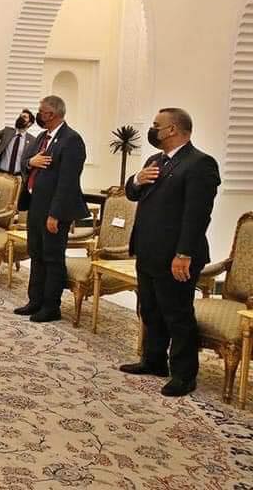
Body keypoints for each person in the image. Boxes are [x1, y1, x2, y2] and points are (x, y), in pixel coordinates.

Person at [119, 108, 219, 397]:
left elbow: (197, 215)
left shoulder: (200, 163)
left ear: (172, 129)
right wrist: (137, 179)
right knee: (150, 309)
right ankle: (154, 360)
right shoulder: (155, 160)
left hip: (177, 255)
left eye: (156, 125)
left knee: (177, 314)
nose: (153, 130)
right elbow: (132, 193)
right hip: (148, 250)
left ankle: (184, 375)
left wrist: (184, 253)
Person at [14, 95, 90, 323]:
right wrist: (31, 162)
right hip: (35, 204)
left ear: (52, 114)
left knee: (52, 257)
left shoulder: (71, 140)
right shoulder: (41, 137)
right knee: (36, 253)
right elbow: (25, 161)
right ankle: (35, 300)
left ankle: (51, 306)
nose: (38, 114)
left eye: (41, 111)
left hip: (54, 210)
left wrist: (55, 214)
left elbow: (68, 182)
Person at [0, 107, 35, 174]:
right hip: (1, 173)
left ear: (30, 123)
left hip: (18, 176)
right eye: (20, 116)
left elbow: (31, 160)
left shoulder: (32, 140)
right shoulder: (7, 131)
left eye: (24, 117)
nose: (20, 118)